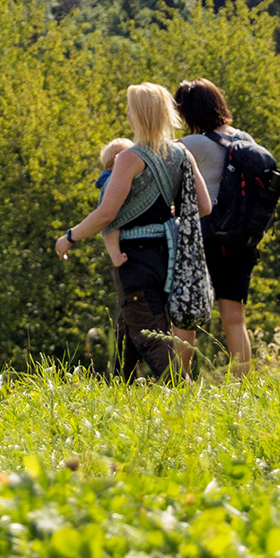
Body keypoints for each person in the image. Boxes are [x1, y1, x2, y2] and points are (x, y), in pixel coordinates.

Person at [57, 80, 212, 380]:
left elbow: (107, 214)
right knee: (131, 321)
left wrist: (70, 236)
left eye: (130, 109)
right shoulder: (181, 155)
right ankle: (120, 384)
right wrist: (168, 212)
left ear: (137, 115)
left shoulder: (129, 158)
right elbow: (203, 206)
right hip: (169, 254)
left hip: (135, 259)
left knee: (149, 332)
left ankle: (182, 389)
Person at [175, 78, 270, 374]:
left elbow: (153, 159)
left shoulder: (194, 144)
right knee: (234, 318)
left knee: (185, 313)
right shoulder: (245, 139)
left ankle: (178, 381)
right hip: (241, 241)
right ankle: (242, 386)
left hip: (204, 238)